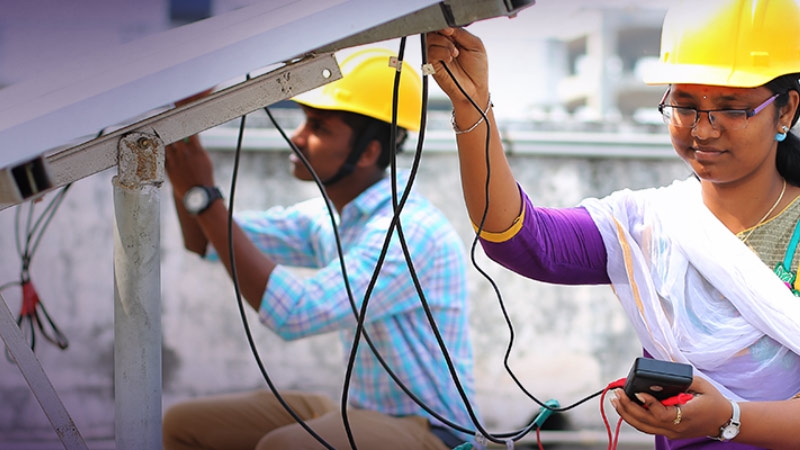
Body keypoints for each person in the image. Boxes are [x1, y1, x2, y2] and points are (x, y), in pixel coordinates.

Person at [425, 0, 800, 448]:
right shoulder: (647, 226)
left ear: (785, 110)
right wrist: (473, 106)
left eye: (732, 109)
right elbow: (518, 239)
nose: (702, 130)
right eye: (684, 106)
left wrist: (729, 418)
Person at [161, 47, 478, 450]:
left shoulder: (408, 232)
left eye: (318, 127)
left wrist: (204, 196)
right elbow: (205, 238)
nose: (297, 137)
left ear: (367, 153)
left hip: (433, 432)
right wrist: (184, 138)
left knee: (286, 446)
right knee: (183, 425)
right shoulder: (331, 217)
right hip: (360, 413)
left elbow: (297, 313)